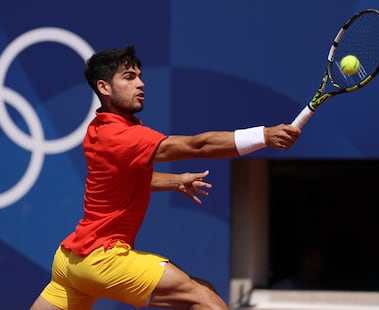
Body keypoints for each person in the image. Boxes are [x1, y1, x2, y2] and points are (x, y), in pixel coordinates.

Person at [30, 45, 301, 310]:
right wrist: (263, 136)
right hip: (103, 260)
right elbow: (199, 146)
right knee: (202, 296)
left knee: (197, 292)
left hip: (70, 262)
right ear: (104, 88)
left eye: (140, 76)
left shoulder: (97, 129)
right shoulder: (125, 137)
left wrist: (175, 180)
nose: (141, 84)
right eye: (129, 77)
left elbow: (128, 181)